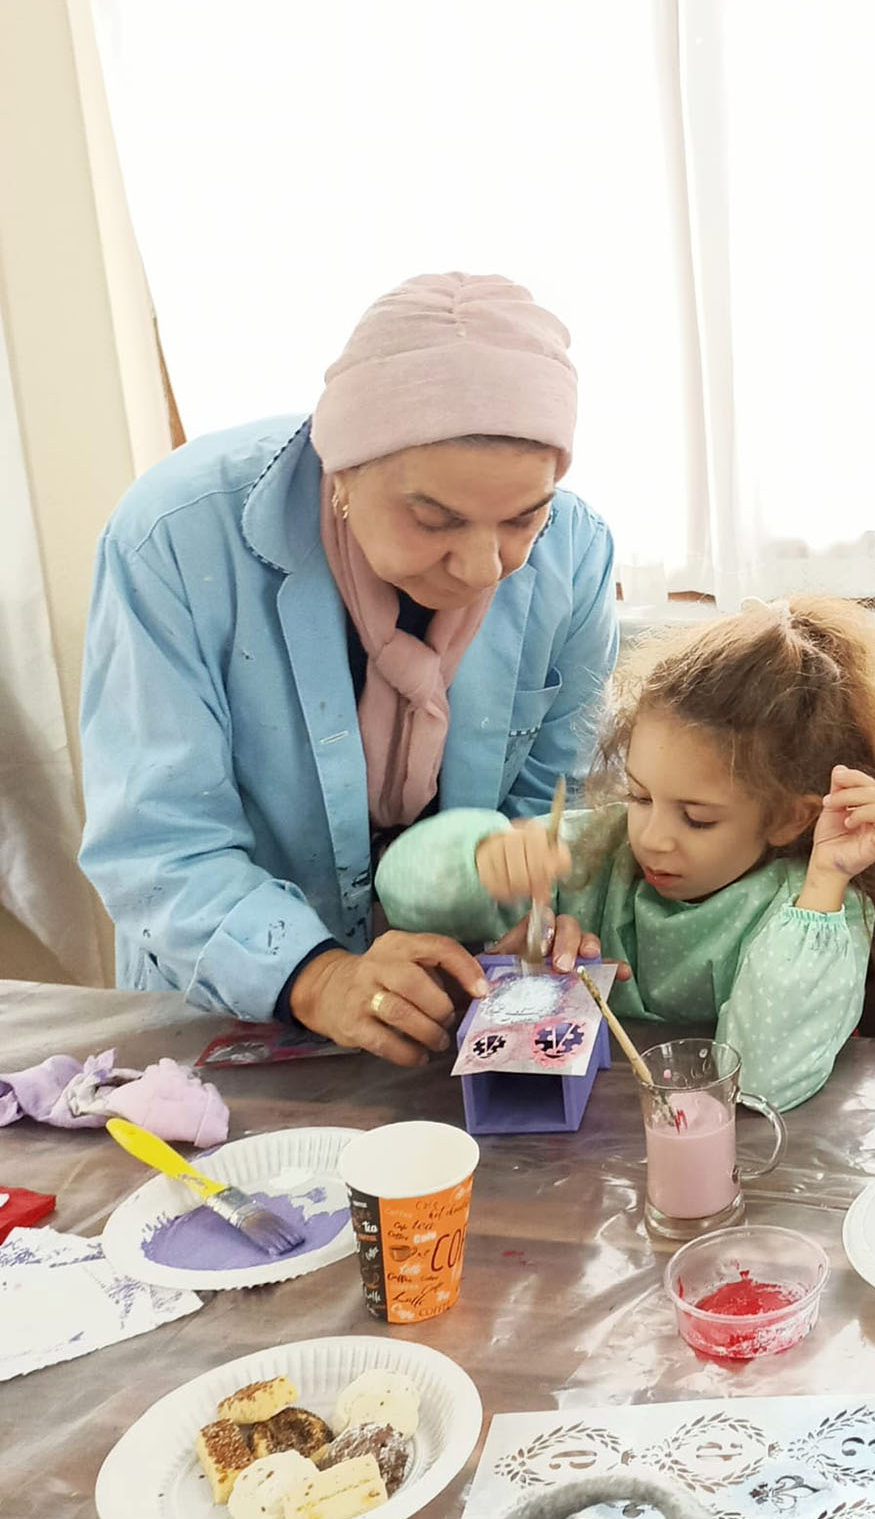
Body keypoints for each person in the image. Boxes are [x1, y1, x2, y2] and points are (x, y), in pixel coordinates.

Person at [79, 273, 618, 1065]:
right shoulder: (173, 539)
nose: (483, 567)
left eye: (522, 518)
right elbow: (157, 841)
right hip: (231, 1007)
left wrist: (536, 904)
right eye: (433, 519)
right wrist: (318, 975)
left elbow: (554, 804)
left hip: (459, 1000)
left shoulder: (576, 551)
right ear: (342, 474)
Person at [375, 596, 875, 1111]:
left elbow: (759, 1083)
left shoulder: (813, 911)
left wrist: (825, 883)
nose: (652, 838)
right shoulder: (594, 850)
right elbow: (402, 892)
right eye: (640, 796)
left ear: (790, 818)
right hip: (579, 1148)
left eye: (697, 818)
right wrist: (479, 860)